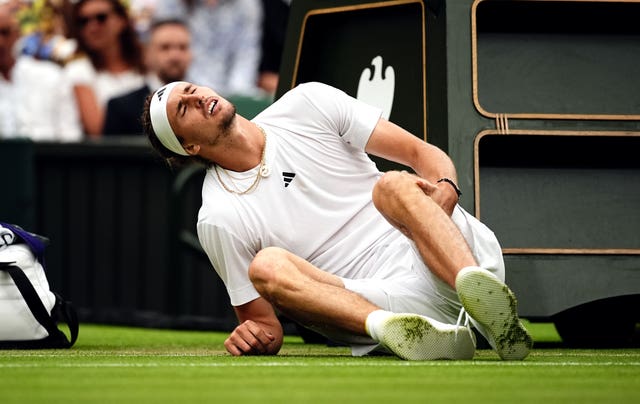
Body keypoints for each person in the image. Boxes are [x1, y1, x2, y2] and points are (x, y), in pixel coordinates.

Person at [141, 81, 534, 361]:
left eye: (191, 90)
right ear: (189, 147)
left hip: (442, 253)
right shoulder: (218, 217)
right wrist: (253, 338)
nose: (196, 98)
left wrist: (444, 188)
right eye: (183, 108)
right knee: (267, 266)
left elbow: (421, 153)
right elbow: (265, 326)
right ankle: (401, 332)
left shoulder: (308, 102)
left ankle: (477, 294)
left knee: (391, 186)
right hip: (372, 299)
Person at [63, 0, 146, 137]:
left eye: (101, 18)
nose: (92, 27)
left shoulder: (146, 66)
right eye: (83, 21)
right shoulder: (78, 71)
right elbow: (97, 131)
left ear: (121, 20)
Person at [152, 0, 262, 97]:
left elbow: (246, 54)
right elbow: (165, 44)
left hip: (231, 94)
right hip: (185, 91)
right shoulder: (171, 3)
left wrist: (236, 98)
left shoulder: (246, 4)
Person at [103, 18, 191, 135]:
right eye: (165, 47)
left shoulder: (205, 103)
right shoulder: (120, 108)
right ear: (148, 53)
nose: (175, 56)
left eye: (182, 47)